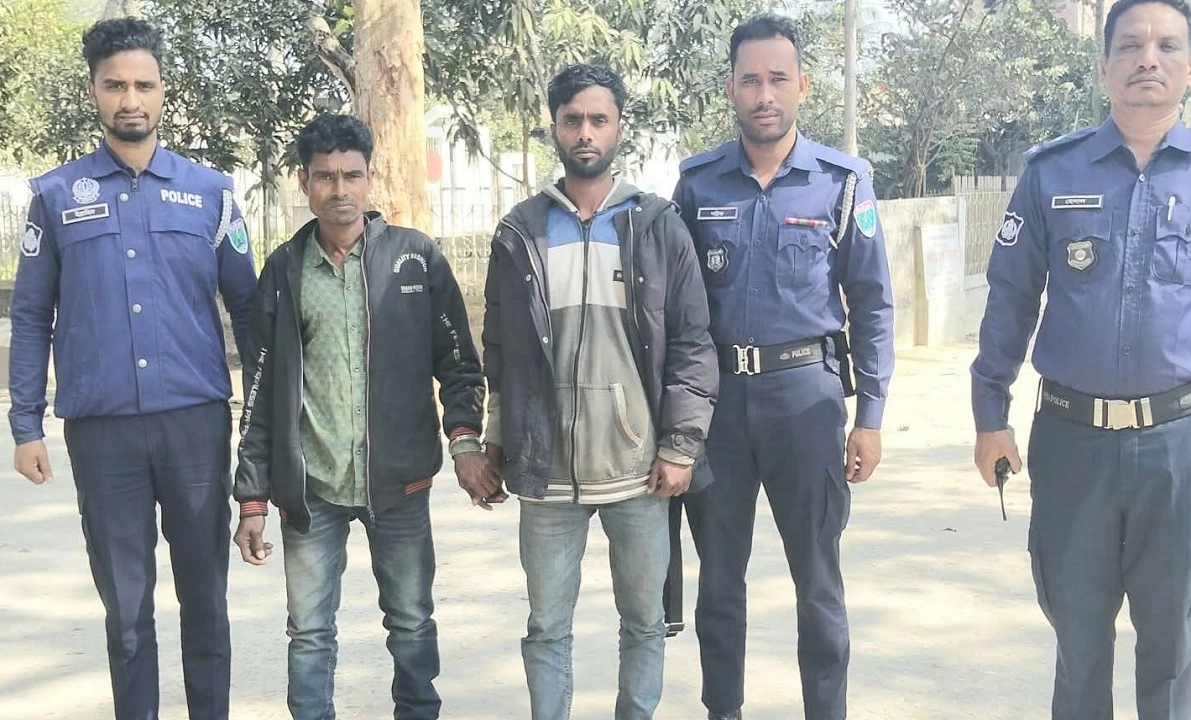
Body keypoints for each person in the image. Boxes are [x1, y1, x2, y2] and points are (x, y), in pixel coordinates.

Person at [971, 1, 1191, 718]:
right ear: (1104, 66)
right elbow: (1010, 299)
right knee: (1078, 645)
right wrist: (991, 416)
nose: (1148, 59)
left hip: (1181, 443)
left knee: (1169, 648)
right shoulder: (1052, 172)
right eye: (1131, 46)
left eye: (1167, 46)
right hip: (1071, 440)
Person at [7, 18, 256, 720]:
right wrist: (25, 424)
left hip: (195, 428)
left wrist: (262, 420)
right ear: (93, 91)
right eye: (115, 85)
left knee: (206, 604)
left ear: (163, 92)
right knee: (125, 614)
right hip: (103, 433)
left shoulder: (211, 193)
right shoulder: (56, 195)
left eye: (143, 85)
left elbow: (249, 310)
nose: (130, 99)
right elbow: (31, 313)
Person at [231, 113, 495, 720]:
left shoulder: (416, 259)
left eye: (352, 175)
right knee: (309, 632)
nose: (340, 190)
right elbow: (263, 391)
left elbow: (459, 363)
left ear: (370, 178)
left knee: (411, 622)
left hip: (400, 484)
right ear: (305, 182)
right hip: (312, 487)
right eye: (325, 177)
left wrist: (464, 441)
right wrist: (252, 498)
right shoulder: (284, 271)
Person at [672, 13, 895, 720]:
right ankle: (723, 710)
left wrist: (870, 418)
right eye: (750, 80)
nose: (764, 94)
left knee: (819, 583)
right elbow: (673, 308)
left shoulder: (842, 182)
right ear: (730, 90)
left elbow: (872, 303)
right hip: (718, 408)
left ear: (802, 85)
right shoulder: (697, 184)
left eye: (777, 79)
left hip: (808, 401)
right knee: (719, 583)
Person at [480, 63, 717, 720]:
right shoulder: (521, 231)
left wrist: (680, 444)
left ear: (618, 128)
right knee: (546, 628)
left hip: (638, 469)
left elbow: (693, 343)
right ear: (554, 127)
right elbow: (499, 350)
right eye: (573, 120)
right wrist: (495, 437)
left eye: (598, 119)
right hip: (546, 471)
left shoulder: (657, 225)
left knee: (644, 624)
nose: (585, 132)